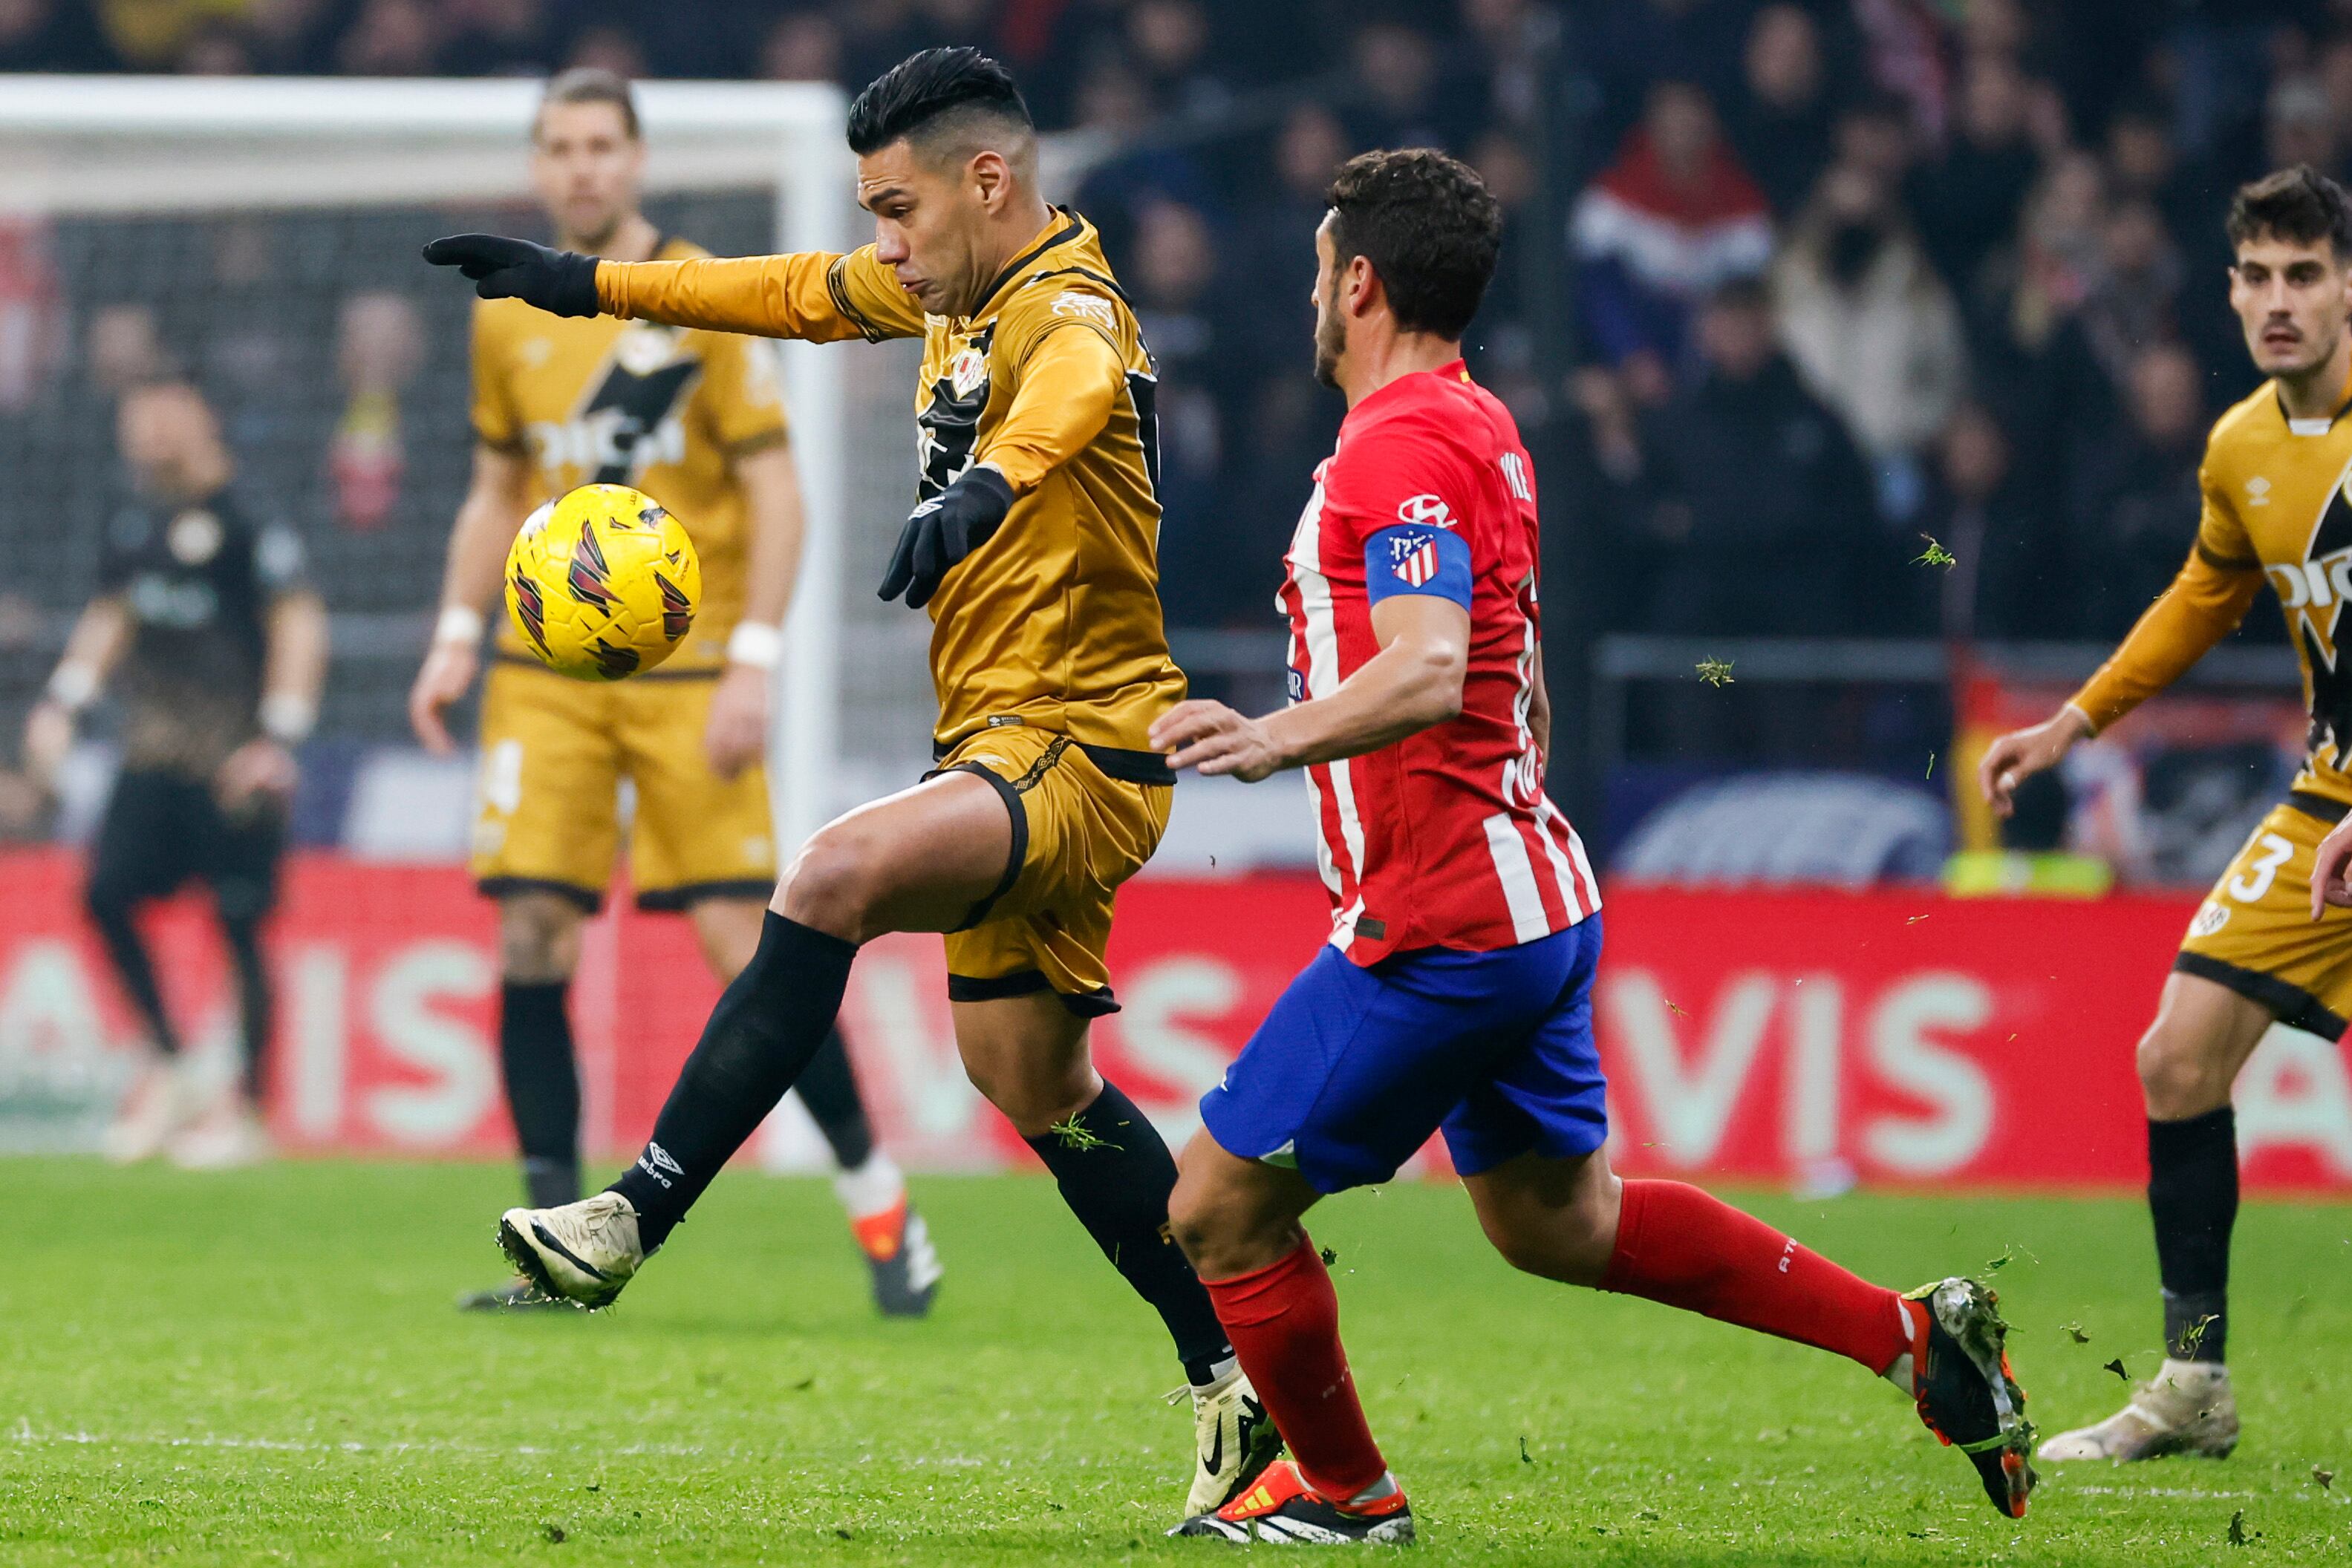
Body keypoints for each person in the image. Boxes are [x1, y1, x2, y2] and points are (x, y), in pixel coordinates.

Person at [420, 48, 1282, 1520]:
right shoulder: (941, 291)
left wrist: (986, 489)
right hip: (1002, 746)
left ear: (986, 182)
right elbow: (785, 291)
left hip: (1075, 745)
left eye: (897, 209)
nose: (881, 243)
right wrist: (585, 287)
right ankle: (1232, 1387)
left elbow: (1072, 388)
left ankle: (630, 1216)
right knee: (1033, 1081)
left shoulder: (1064, 306)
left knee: (826, 875)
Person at [1148, 148, 2034, 1544]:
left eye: (1321, 266)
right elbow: (1511, 650)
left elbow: (1435, 663)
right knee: (1557, 1221)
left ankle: (1344, 1494)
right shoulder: (1480, 421)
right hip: (1528, 898)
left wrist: (1272, 736)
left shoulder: (1400, 442)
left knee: (1214, 1208)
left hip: (1442, 922)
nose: (1309, 290)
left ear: (1361, 282)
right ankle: (1913, 1338)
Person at [405, 68, 937, 1318]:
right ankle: (546, 1235)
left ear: (635, 161)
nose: (582, 167)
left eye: (602, 145)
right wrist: (449, 632)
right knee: (530, 924)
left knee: (743, 947)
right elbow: (496, 490)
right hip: (545, 670)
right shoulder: (506, 316)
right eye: (561, 147)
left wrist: (754, 658)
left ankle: (880, 1205)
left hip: (688, 671)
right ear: (541, 167)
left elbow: (776, 492)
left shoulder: (699, 297)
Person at [1981, 164, 2352, 1463]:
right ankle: (2193, 1384)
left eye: (2304, 273)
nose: (2277, 300)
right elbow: (2201, 598)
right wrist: (2069, 721)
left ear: (2348, 285)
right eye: (2255, 276)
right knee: (2177, 1056)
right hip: (2334, 798)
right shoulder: (2244, 444)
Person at [25, 380, 325, 1168]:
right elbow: (111, 616)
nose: (144, 434)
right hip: (153, 753)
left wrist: (278, 736)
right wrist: (63, 701)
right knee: (104, 895)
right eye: (134, 420)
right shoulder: (134, 522)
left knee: (238, 924)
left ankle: (250, 1114)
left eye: (160, 417)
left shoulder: (247, 519)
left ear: (202, 420)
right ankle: (170, 1064)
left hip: (235, 760)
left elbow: (297, 622)